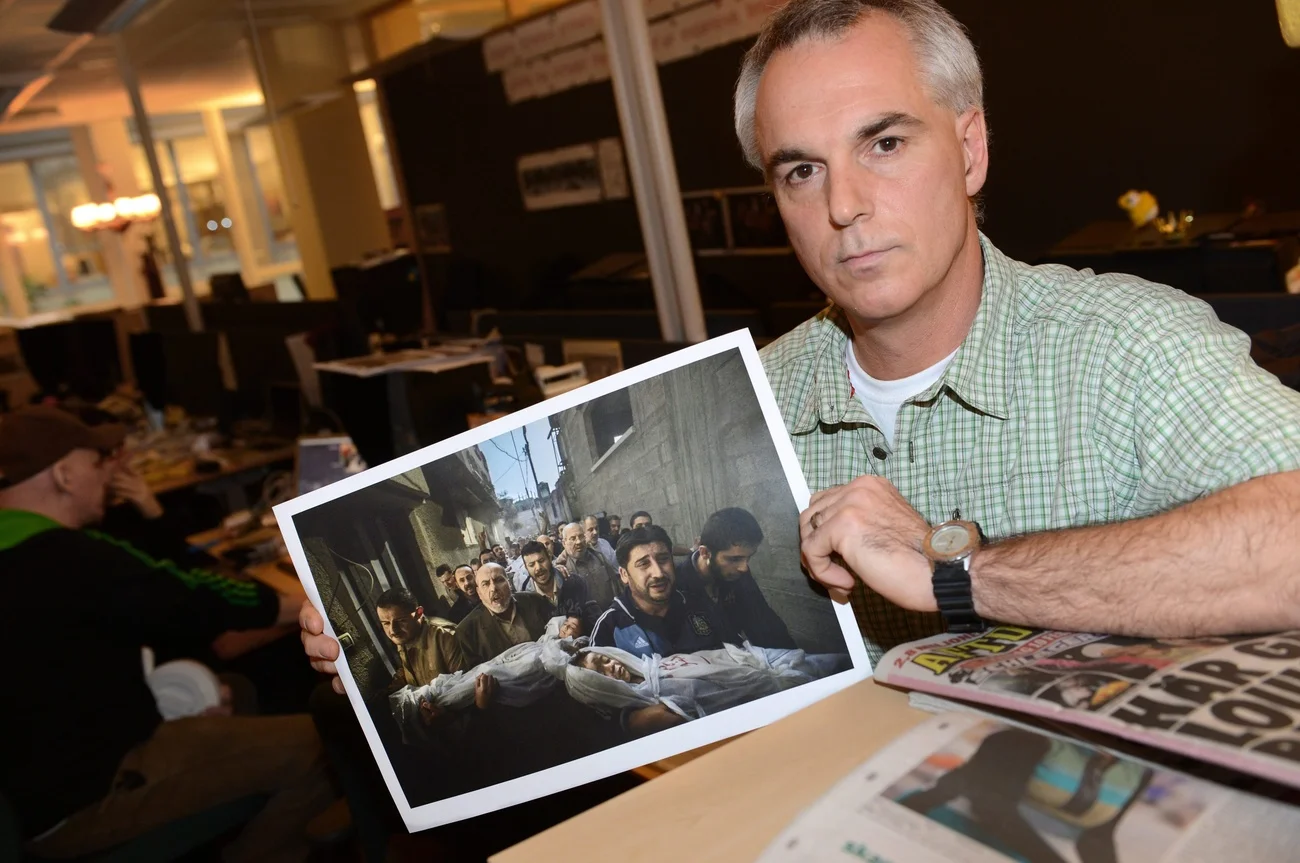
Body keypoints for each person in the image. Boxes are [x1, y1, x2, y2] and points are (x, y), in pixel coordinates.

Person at [739, 0, 1300, 659]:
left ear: (970, 150)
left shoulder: (1129, 345)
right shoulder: (751, 403)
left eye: (885, 144)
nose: (843, 205)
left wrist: (957, 572)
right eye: (802, 171)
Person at [0, 405, 332, 861]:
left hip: (40, 779)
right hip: (88, 795)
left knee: (237, 688)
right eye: (96, 462)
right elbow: (195, 598)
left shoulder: (22, 552)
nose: (107, 472)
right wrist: (313, 597)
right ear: (64, 475)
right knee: (327, 746)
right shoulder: (70, 558)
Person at [590, 525, 736, 658]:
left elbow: (739, 657)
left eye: (663, 559)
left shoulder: (700, 606)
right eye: (644, 564)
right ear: (624, 574)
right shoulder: (610, 626)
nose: (658, 573)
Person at [678, 507, 797, 649]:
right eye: (734, 559)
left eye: (749, 557)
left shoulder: (738, 575)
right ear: (705, 553)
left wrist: (791, 658)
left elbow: (764, 623)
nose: (744, 567)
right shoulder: (676, 586)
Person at [455, 563, 555, 667]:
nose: (493, 588)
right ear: (479, 592)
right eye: (485, 584)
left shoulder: (535, 601)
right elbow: (475, 671)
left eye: (499, 580)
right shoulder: (468, 631)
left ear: (509, 583)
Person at [376, 586, 465, 689]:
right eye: (386, 623)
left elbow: (465, 686)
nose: (393, 630)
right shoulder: (404, 636)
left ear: (419, 613)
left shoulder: (445, 636)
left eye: (401, 621)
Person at [517, 539, 596, 634]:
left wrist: (579, 630)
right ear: (526, 568)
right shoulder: (525, 601)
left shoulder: (575, 583)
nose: (538, 568)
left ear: (550, 558)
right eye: (531, 565)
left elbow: (594, 617)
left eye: (541, 561)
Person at [554, 521, 620, 609]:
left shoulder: (599, 557)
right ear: (564, 543)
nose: (578, 542)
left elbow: (615, 584)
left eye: (581, 536)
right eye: (573, 538)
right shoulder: (563, 570)